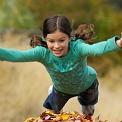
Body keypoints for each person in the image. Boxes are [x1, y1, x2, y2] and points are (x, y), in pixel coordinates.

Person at [0, 15, 122, 117]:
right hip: (61, 90)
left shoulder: (78, 48)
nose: (56, 46)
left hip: (87, 85)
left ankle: (87, 107)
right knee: (51, 116)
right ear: (45, 38)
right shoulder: (42, 53)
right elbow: (18, 55)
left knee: (87, 114)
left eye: (61, 40)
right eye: (51, 41)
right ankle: (52, 91)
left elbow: (96, 49)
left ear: (69, 37)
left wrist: (118, 43)